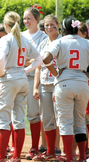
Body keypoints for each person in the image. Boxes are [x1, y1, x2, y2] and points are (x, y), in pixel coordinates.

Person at [0, 11, 42, 162]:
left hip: (9, 79)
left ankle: (0, 157)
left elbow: (0, 57)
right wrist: (25, 70)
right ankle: (17, 156)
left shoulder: (6, 39)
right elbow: (39, 59)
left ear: (6, 25)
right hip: (22, 79)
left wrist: (0, 72)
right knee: (19, 118)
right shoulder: (24, 39)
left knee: (3, 118)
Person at [43, 16, 89, 162]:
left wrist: (55, 73)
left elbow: (46, 59)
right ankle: (82, 157)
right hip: (82, 82)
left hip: (64, 82)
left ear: (63, 29)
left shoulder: (60, 41)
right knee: (80, 121)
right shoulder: (87, 42)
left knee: (65, 123)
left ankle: (69, 158)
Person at [32, 14, 62, 161]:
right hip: (44, 84)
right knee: (47, 118)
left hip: (59, 84)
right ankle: (50, 151)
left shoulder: (63, 42)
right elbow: (38, 67)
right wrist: (35, 87)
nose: (49, 27)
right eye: (46, 25)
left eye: (52, 24)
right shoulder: (43, 43)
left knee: (61, 118)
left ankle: (60, 150)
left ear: (58, 25)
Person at [21, 5, 48, 160]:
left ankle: (34, 147)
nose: (26, 21)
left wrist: (32, 61)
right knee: (16, 114)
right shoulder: (21, 35)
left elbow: (42, 60)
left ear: (37, 19)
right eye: (24, 18)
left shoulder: (43, 37)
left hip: (34, 79)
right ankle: (15, 147)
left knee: (33, 114)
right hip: (20, 77)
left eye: (29, 18)